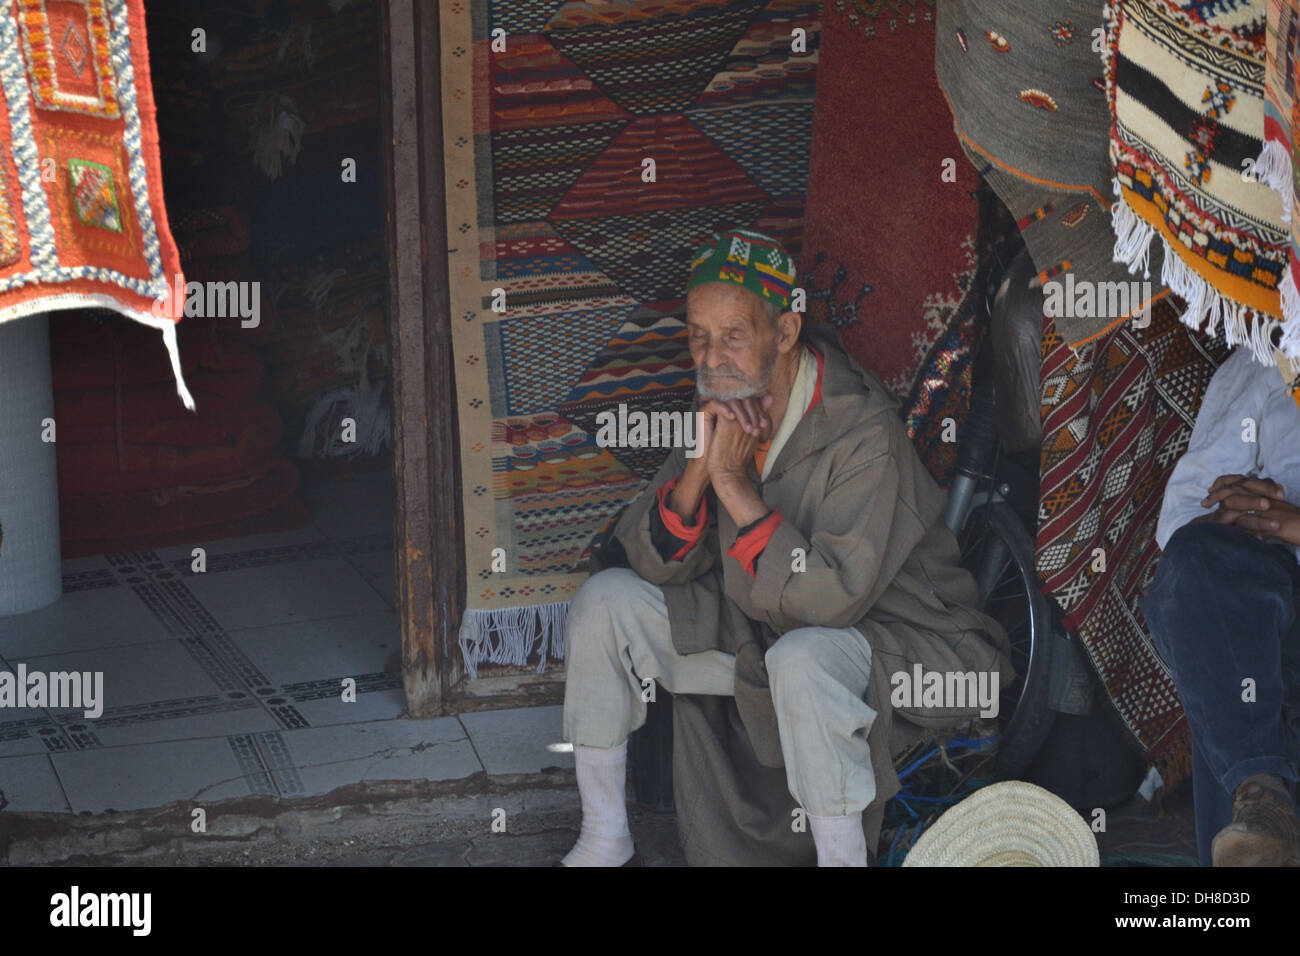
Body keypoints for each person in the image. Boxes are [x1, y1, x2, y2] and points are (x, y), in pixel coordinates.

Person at [558, 228, 1013, 866]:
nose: (711, 356)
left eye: (734, 335)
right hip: (762, 630)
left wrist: (733, 485)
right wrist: (697, 470)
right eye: (698, 334)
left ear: (787, 332)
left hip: (903, 644)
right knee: (602, 603)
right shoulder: (722, 398)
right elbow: (646, 561)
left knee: (803, 659)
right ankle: (605, 835)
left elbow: (833, 600)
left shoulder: (862, 432)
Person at [1142, 345, 1300, 866]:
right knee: (1197, 570)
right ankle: (1262, 798)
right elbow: (1182, 517)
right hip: (1272, 596)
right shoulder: (1264, 365)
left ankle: (1259, 797)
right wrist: (1234, 517)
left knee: (1235, 706)